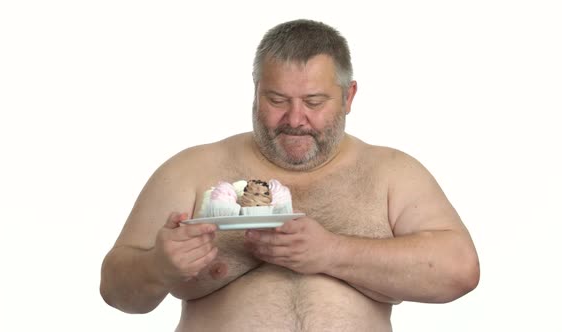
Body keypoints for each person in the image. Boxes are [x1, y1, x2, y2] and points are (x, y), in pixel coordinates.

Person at [100, 19, 480, 331]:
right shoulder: (193, 169)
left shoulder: (391, 173)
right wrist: (158, 266)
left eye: (314, 102)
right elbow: (116, 291)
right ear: (256, 92)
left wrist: (332, 252)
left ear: (348, 97)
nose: (295, 119)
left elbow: (459, 270)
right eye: (277, 100)